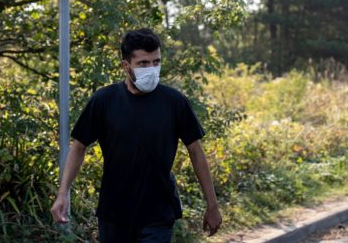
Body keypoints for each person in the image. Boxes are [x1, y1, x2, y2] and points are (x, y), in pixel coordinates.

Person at [51, 28, 222, 242]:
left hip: (158, 213)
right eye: (143, 63)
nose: (151, 69)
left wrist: (212, 205)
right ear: (126, 65)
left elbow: (196, 153)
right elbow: (78, 147)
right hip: (114, 213)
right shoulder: (104, 100)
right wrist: (62, 194)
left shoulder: (174, 101)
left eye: (156, 62)